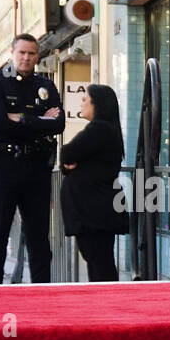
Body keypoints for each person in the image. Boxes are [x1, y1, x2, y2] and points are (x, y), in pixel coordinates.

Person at [0, 34, 64, 284]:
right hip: (2, 167)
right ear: (12, 53)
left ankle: (41, 295)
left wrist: (22, 119)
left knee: (39, 238)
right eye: (21, 53)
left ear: (38, 56)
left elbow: (58, 124)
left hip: (36, 168)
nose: (26, 58)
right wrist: (39, 121)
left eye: (31, 53)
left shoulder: (45, 86)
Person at [59, 84, 127, 281]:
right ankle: (103, 302)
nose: (81, 103)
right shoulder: (105, 129)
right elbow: (68, 160)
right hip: (95, 210)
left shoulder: (99, 129)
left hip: (94, 211)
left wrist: (70, 162)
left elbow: (67, 153)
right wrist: (68, 165)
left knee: (99, 263)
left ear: (96, 104)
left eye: (84, 99)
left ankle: (107, 304)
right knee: (99, 261)